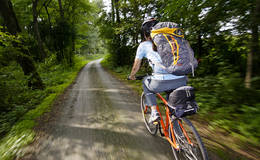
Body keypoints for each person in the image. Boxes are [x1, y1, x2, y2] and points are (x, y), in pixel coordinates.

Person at [129, 18, 187, 123]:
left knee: (145, 83)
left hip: (161, 82)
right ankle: (179, 134)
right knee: (173, 108)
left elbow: (136, 66)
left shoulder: (143, 45)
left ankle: (154, 112)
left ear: (145, 33)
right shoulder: (172, 41)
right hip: (182, 80)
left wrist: (132, 75)